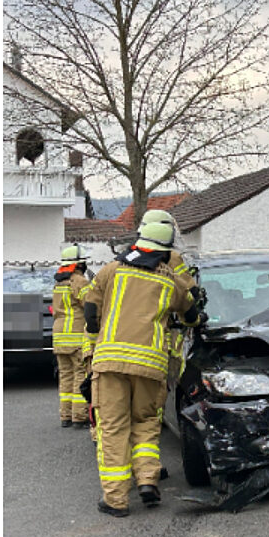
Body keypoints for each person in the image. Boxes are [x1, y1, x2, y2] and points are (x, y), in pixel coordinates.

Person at [83, 221, 206, 517]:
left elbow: (90, 310)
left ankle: (115, 500)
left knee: (113, 427)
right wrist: (196, 316)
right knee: (146, 422)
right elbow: (191, 316)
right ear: (165, 251)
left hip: (111, 362)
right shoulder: (170, 281)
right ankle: (148, 481)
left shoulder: (111, 270)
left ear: (139, 242)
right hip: (151, 365)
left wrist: (98, 330)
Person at [135, 209, 200, 478]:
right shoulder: (171, 259)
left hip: (116, 347)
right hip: (156, 345)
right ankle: (147, 471)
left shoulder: (120, 264)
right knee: (148, 414)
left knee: (122, 418)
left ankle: (138, 471)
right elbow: (189, 293)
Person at [52, 245, 91, 428]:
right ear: (79, 264)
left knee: (65, 376)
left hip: (59, 336)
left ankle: (65, 416)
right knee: (80, 375)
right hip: (75, 336)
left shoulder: (58, 283)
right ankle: (79, 417)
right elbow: (90, 305)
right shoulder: (79, 281)